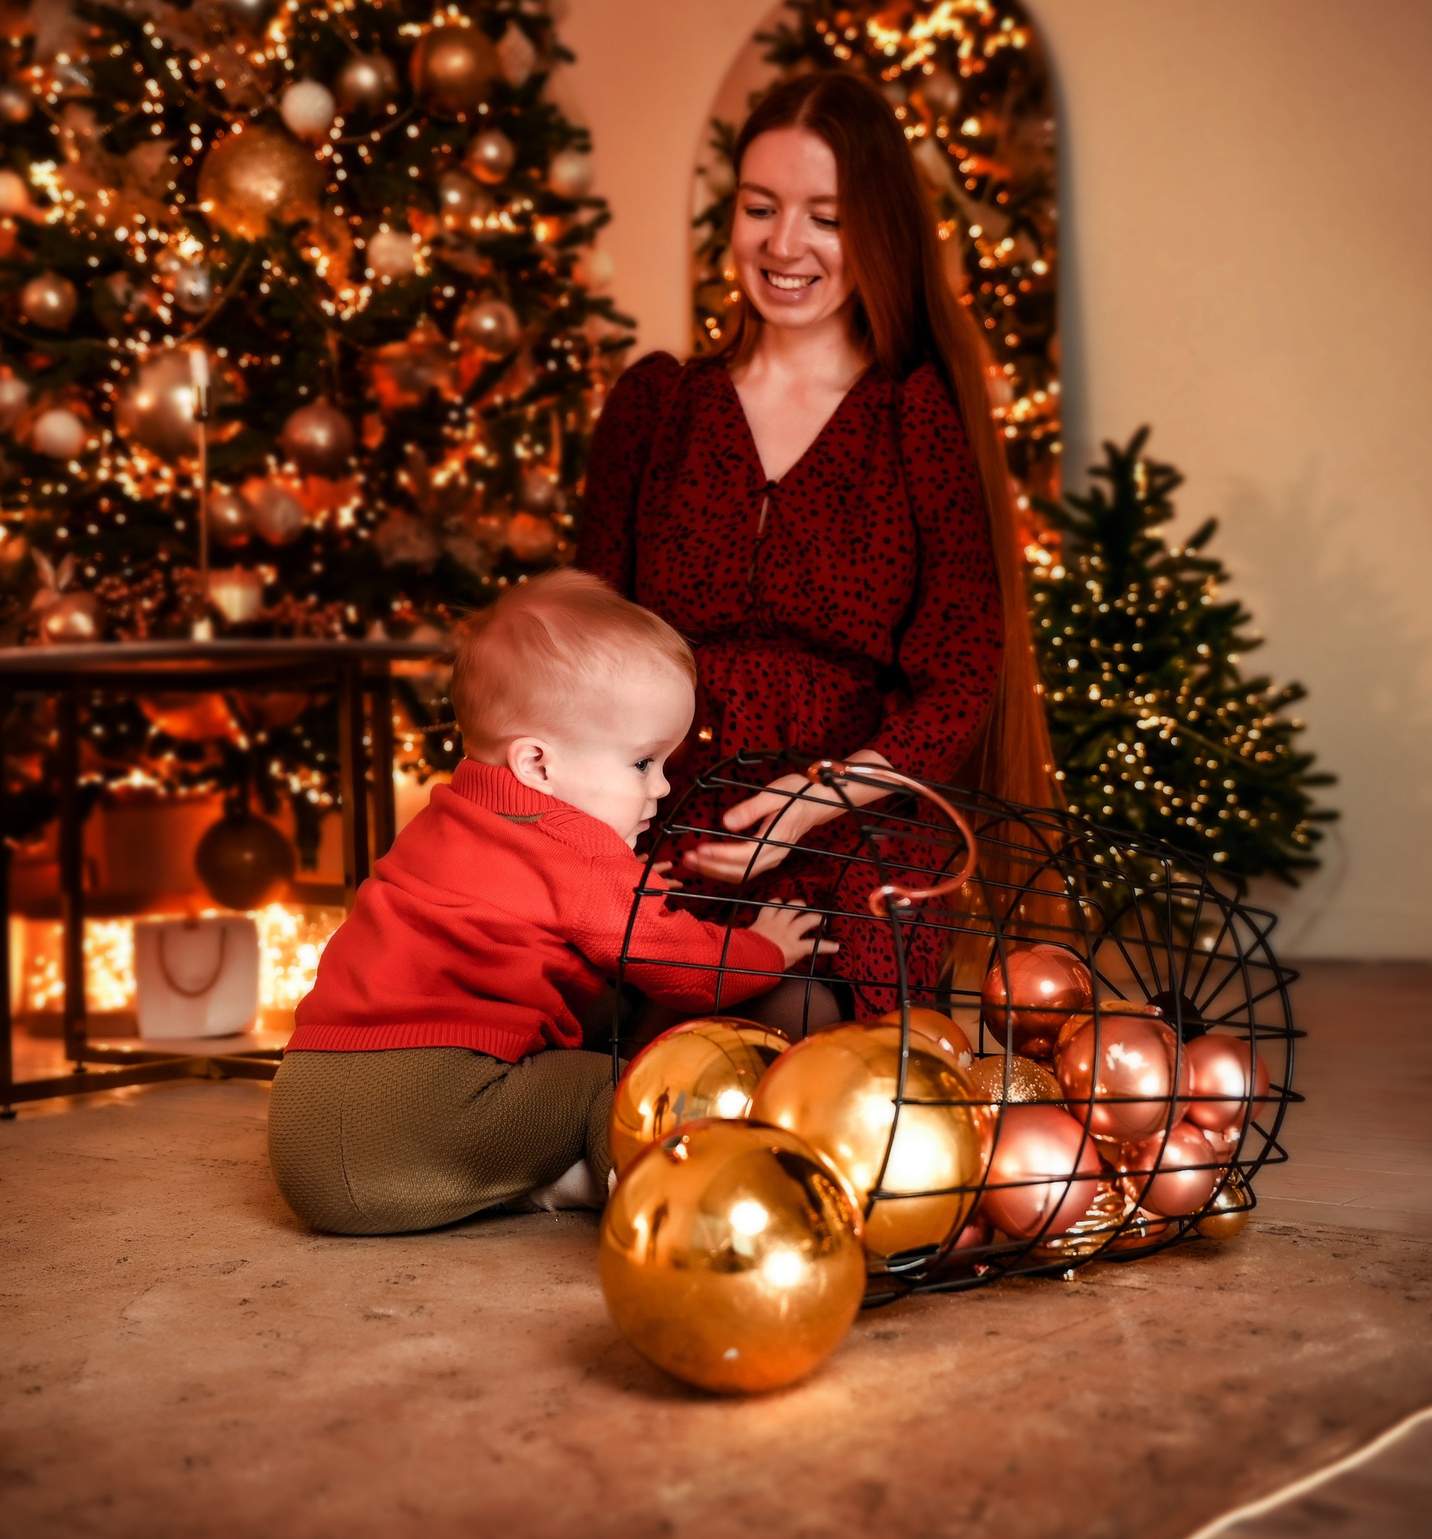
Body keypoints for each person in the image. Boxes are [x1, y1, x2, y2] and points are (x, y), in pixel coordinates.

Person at [577, 70, 1055, 1035]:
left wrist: (808, 804)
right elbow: (586, 642)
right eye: (762, 207)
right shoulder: (659, 404)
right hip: (668, 809)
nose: (783, 245)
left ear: (875, 230)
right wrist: (619, 820)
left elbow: (963, 672)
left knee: (797, 1036)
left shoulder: (917, 415)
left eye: (824, 216)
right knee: (616, 1027)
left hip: (857, 825)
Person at [266, 569, 833, 1236]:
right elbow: (675, 962)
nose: (659, 788)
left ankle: (507, 1180)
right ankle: (633, 1195)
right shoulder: (576, 852)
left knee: (558, 1038)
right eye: (642, 764)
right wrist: (766, 948)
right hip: (425, 1117)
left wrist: (624, 879)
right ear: (538, 764)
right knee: (613, 1085)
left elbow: (532, 907)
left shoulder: (443, 817)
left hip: (302, 1141)